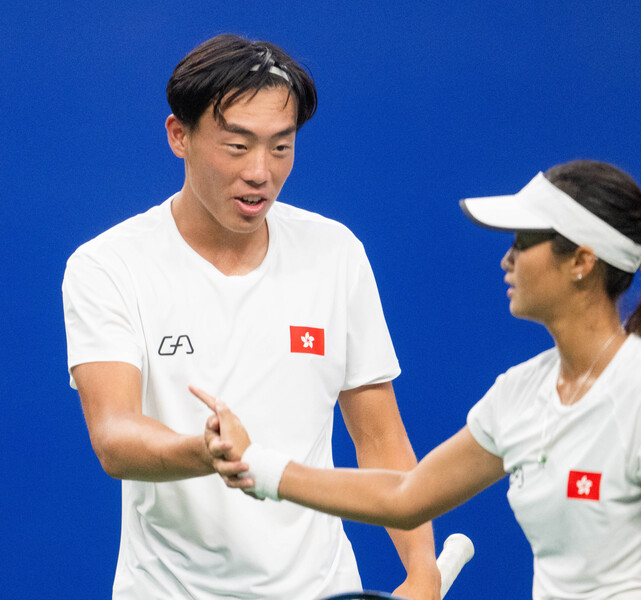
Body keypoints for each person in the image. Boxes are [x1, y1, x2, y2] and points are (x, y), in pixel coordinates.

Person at [193, 160, 641, 600]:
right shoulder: (520, 394)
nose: (508, 258)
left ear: (581, 261)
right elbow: (406, 495)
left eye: (523, 241)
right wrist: (255, 463)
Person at [62, 34, 440, 600]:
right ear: (179, 136)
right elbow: (114, 435)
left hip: (324, 587)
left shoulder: (335, 253)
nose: (261, 172)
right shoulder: (107, 265)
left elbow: (381, 438)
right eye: (237, 146)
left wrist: (423, 572)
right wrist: (207, 452)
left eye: (281, 147)